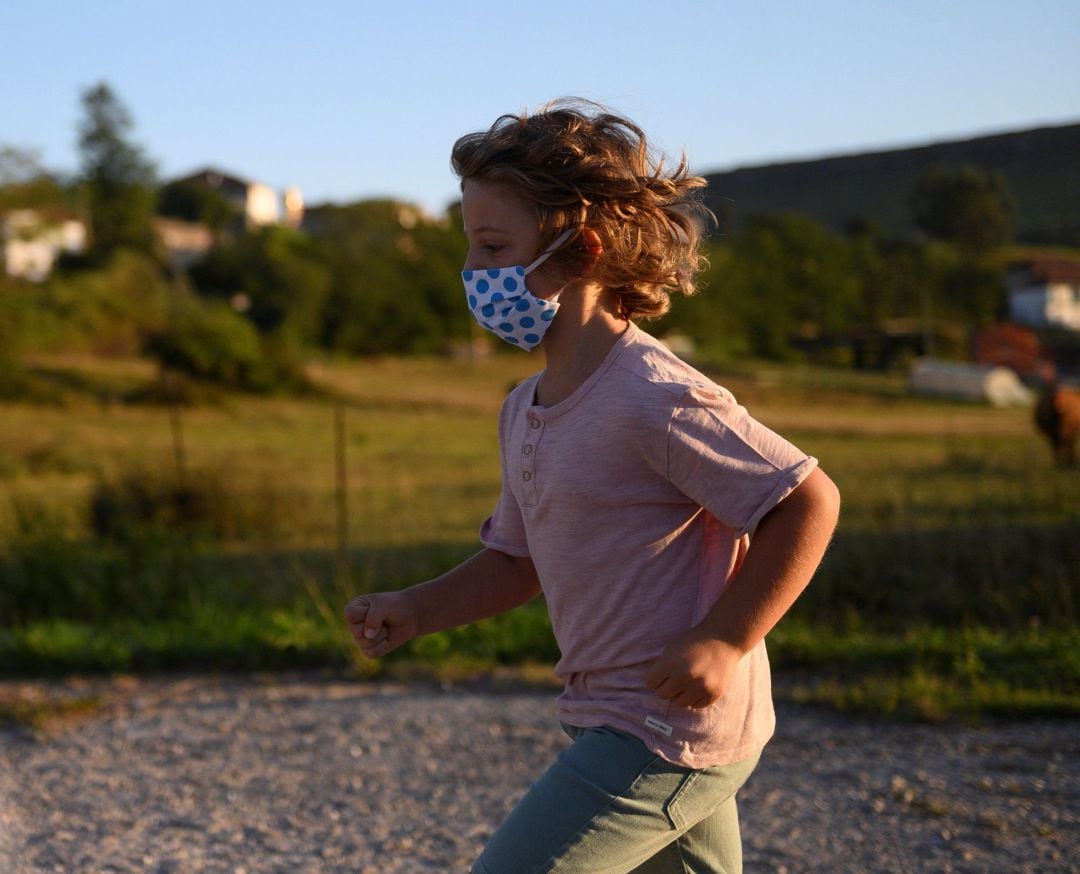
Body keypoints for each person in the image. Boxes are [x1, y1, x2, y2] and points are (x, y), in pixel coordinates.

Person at [345, 99, 841, 873]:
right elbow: (517, 562)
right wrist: (416, 608)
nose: (473, 273)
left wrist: (723, 639)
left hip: (665, 734)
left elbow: (806, 500)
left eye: (493, 246)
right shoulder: (523, 408)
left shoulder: (656, 398)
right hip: (612, 719)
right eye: (470, 247)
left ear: (581, 252)